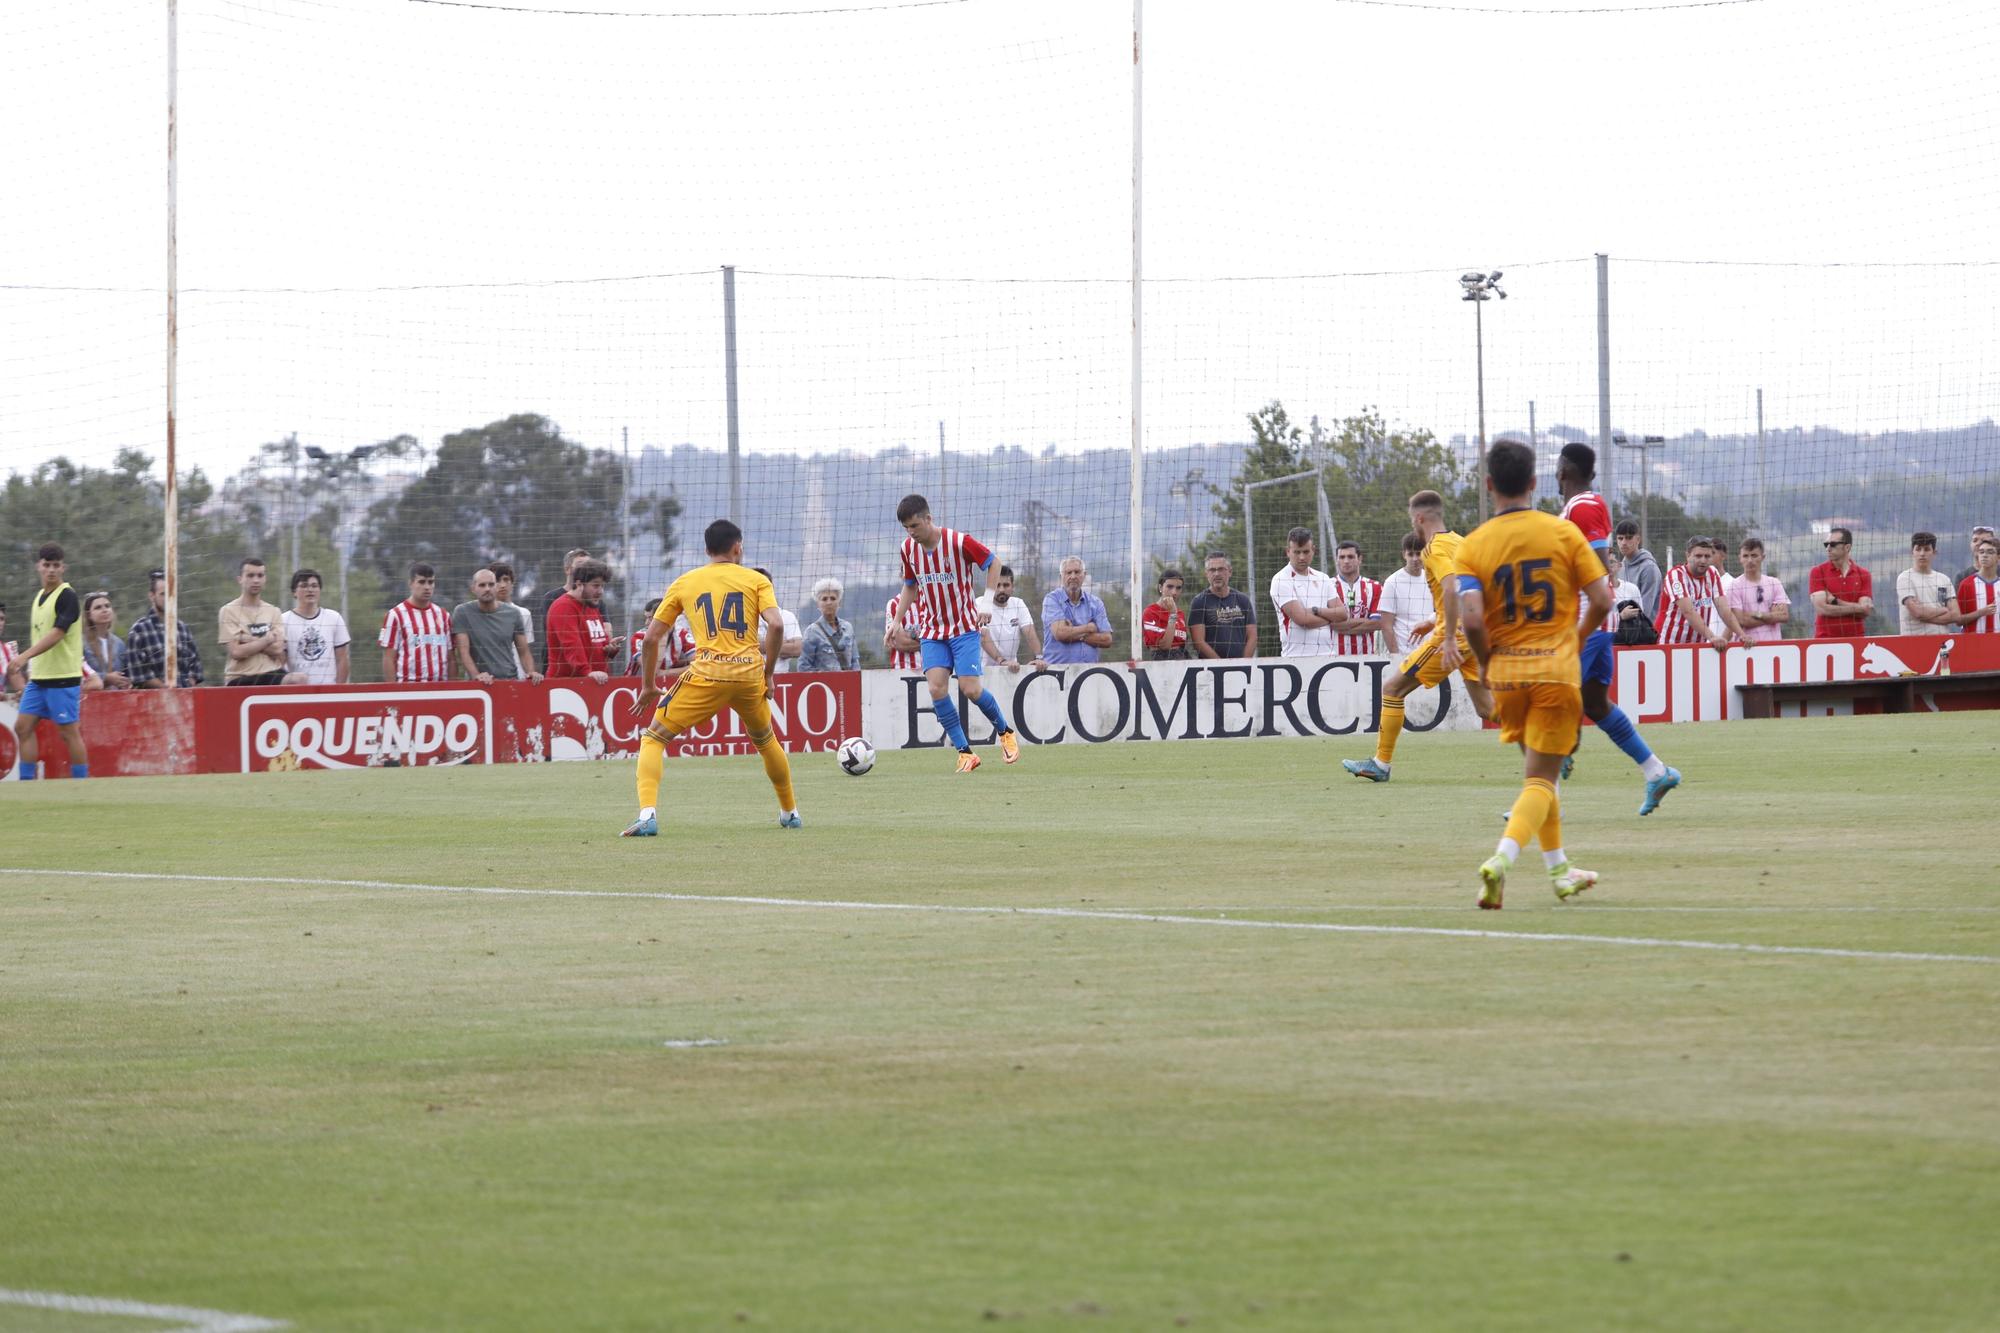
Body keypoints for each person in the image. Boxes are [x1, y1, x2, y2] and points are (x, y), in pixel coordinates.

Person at [1457, 442, 1612, 909]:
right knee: (1542, 782)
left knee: (1537, 775)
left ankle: (1560, 871)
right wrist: (1576, 639)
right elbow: (1603, 600)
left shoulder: (1474, 545)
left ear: (1488, 486)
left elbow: (1472, 621)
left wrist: (1486, 664)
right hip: (1555, 671)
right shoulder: (1561, 533)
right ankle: (1501, 860)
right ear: (1533, 484)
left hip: (1506, 677)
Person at [623, 519, 800, 836]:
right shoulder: (756, 580)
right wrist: (769, 673)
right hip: (748, 674)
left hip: (707, 672)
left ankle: (648, 815)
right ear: (738, 547)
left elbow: (650, 640)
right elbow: (776, 626)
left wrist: (648, 686)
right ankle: (790, 812)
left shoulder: (685, 582)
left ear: (706, 550)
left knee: (653, 738)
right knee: (765, 741)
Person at [1555, 443, 1680, 816]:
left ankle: (1543, 799)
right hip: (1591, 618)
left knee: (1549, 700)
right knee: (1594, 703)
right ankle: (1656, 771)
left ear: (1564, 471)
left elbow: (1596, 565)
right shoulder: (1583, 506)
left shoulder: (1584, 506)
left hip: (1584, 619)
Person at [1343, 492, 1494, 783]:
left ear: (1419, 518)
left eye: (1411, 518)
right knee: (1486, 708)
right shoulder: (1460, 542)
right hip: (1475, 630)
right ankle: (1548, 739)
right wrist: (1434, 619)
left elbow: (1451, 588)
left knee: (1392, 689)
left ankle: (1381, 764)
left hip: (1453, 637)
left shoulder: (1433, 549)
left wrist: (1448, 636)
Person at [890, 493, 1021, 771]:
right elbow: (910, 585)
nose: (911, 533)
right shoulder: (908, 549)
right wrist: (896, 621)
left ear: (929, 518)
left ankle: (1005, 732)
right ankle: (965, 752)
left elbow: (994, 563)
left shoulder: (958, 541)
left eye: (915, 526)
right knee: (937, 688)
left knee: (970, 689)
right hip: (932, 630)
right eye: (906, 528)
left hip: (963, 628)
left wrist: (985, 602)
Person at [8, 544, 91, 779]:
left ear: (63, 567)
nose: (51, 570)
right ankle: (27, 783)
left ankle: (81, 784)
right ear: (39, 566)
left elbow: (57, 634)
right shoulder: (39, 597)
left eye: (56, 565)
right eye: (47, 565)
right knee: (23, 727)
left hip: (62, 678)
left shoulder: (67, 595)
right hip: (40, 679)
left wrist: (23, 656)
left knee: (68, 733)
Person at [1656, 537, 1751, 648]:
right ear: (1688, 555)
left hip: (1697, 646)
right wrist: (1712, 637)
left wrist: (1742, 635)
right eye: (1698, 556)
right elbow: (1688, 612)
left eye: (1707, 556)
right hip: (1668, 643)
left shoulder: (1712, 573)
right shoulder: (1676, 575)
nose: (1703, 560)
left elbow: (1724, 609)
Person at [452, 568, 541, 683]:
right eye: (482, 585)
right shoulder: (462, 612)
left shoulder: (513, 613)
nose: (487, 589)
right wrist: (476, 675)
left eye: (491, 584)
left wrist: (531, 671)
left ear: (496, 587)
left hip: (510, 681)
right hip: (479, 684)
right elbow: (463, 652)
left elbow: (524, 652)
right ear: (473, 588)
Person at [1268, 528, 1346, 658]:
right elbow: (1303, 619)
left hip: (1329, 656)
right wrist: (1331, 618)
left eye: (1306, 551)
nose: (1302, 557)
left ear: (1313, 550)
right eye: (1297, 552)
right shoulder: (1281, 579)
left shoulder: (1323, 578)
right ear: (1288, 552)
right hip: (1296, 657)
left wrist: (1316, 610)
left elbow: (1343, 614)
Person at [219, 557, 294, 686]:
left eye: (260, 575)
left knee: (299, 679)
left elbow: (277, 649)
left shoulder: (273, 611)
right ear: (240, 579)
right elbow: (236, 652)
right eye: (250, 575)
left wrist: (246, 639)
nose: (256, 580)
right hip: (240, 676)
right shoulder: (228, 610)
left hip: (271, 673)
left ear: (265, 579)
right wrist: (266, 640)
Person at [124, 570, 203, 689]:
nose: (168, 598)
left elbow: (196, 665)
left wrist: (187, 686)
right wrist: (169, 690)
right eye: (163, 594)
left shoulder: (182, 628)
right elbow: (139, 674)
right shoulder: (139, 630)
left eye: (171, 593)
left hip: (185, 698)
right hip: (152, 701)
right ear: (151, 596)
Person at [379, 563, 453, 684]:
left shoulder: (444, 616)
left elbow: (451, 658)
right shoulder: (395, 615)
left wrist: (452, 690)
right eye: (422, 582)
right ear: (411, 583)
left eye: (431, 582)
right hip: (408, 689)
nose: (427, 587)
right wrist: (393, 691)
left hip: (440, 689)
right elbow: (388, 658)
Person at [546, 558, 616, 683]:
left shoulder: (591, 605)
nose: (600, 591)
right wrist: (587, 672)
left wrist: (609, 648)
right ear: (579, 584)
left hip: (595, 683)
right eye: (595, 585)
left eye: (602, 586)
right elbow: (572, 646)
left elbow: (598, 641)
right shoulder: (563, 607)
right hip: (567, 685)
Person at [1040, 557, 1114, 665]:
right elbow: (1060, 633)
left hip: (1089, 673)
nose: (1073, 576)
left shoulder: (1096, 603)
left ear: (1084, 575)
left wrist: (1074, 633)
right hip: (1057, 672)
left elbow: (1107, 640)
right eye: (1068, 572)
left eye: (1077, 572)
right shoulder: (1052, 599)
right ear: (1061, 577)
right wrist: (1088, 628)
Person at [284, 568, 352, 685]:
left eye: (314, 586)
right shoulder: (284, 620)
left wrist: (338, 691)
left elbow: (342, 659)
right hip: (297, 693)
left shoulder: (334, 618)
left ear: (320, 590)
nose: (310, 589)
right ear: (294, 592)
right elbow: (280, 662)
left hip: (328, 691)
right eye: (304, 586)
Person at [1187, 552, 1257, 659]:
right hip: (1211, 670)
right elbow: (1198, 642)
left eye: (1221, 569)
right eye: (1212, 570)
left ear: (1230, 572)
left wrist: (1244, 663)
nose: (1216, 574)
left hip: (1242, 667)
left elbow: (1252, 637)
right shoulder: (1199, 602)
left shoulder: (1243, 600)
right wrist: (1221, 665)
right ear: (1206, 574)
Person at [974, 566, 1043, 672]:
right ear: (990, 587)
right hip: (983, 671)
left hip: (1011, 670)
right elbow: (983, 636)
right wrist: (1001, 661)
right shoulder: (980, 603)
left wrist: (1039, 658)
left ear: (1012, 587)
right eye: (997, 585)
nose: (1001, 589)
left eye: (1006, 585)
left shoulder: (1018, 604)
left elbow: (1030, 633)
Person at [1807, 527, 1873, 638]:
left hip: (1856, 640)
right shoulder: (1818, 572)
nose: (1828, 548)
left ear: (1847, 547)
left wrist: (1835, 601)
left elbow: (1865, 611)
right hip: (1825, 640)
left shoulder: (1863, 574)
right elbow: (1822, 609)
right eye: (1826, 544)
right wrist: (1857, 608)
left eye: (1833, 544)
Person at [1329, 540, 1390, 655]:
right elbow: (1330, 624)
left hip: (1366, 658)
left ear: (1360, 559)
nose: (1346, 561)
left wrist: (1342, 627)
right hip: (1333, 657)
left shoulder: (1375, 587)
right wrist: (1364, 621)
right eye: (1342, 557)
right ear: (1337, 560)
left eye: (1351, 557)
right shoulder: (1327, 586)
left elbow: (1377, 623)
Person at [1376, 533, 1433, 656]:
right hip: (1404, 654)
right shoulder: (1392, 582)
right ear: (1404, 555)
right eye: (1410, 554)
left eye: (1418, 553)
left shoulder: (1432, 579)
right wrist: (1396, 657)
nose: (1415, 559)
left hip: (1429, 653)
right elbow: (1386, 626)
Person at [1725, 539, 1790, 644]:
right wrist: (1771, 616)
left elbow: (1784, 615)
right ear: (1740, 558)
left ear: (1763, 557)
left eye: (1754, 555)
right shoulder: (1735, 585)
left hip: (1773, 647)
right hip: (1746, 647)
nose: (1750, 560)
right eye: (1746, 556)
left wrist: (1758, 614)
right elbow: (1741, 620)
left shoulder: (1774, 583)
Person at [538, 547, 591, 670]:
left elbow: (603, 631)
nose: (585, 568)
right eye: (580, 564)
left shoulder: (594, 599)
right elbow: (556, 634)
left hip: (588, 662)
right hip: (558, 665)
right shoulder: (551, 598)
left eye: (588, 565)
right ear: (567, 569)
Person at [797, 577, 859, 672]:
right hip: (824, 685)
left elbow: (855, 661)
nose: (829, 602)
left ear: (839, 603)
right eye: (824, 599)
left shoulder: (848, 628)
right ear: (818, 604)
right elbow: (803, 667)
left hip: (848, 684)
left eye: (833, 598)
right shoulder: (812, 632)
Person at [752, 568, 804, 672]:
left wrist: (758, 644)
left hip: (782, 679)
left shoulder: (787, 616)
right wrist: (781, 643)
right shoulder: (741, 617)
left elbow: (797, 649)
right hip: (750, 680)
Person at [79, 591, 132, 689]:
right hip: (90, 699)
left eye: (107, 606)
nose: (104, 610)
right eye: (98, 607)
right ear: (89, 615)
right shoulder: (80, 643)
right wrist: (106, 678)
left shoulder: (119, 643)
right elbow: (77, 676)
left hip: (116, 699)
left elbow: (126, 673)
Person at [1614, 520, 1663, 621]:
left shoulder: (1649, 568)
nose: (1624, 542)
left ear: (1638, 539)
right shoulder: (1620, 567)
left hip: (1644, 630)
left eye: (1628, 538)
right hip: (1623, 628)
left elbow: (1645, 610)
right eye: (1620, 538)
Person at [1141, 569, 1191, 660]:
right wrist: (1172, 615)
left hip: (1183, 660)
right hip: (1163, 662)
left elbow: (1183, 644)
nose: (1174, 592)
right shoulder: (1150, 612)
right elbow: (1164, 646)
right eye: (1170, 587)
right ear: (1160, 588)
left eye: (1178, 588)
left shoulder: (1180, 614)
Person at [1956, 536, 2000, 634]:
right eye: (1981, 552)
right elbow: (1958, 620)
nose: (1984, 555)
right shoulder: (1966, 584)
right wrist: (1981, 612)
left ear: (1998, 557)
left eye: (1990, 552)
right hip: (1972, 643)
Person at [489, 561, 535, 653]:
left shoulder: (524, 613)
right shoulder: (480, 614)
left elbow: (527, 650)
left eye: (506, 580)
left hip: (518, 667)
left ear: (512, 583)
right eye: (497, 581)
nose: (502, 585)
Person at [883, 593, 922, 671]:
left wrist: (909, 635)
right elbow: (901, 643)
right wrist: (932, 643)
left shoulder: (930, 602)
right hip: (903, 671)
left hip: (933, 670)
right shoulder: (894, 604)